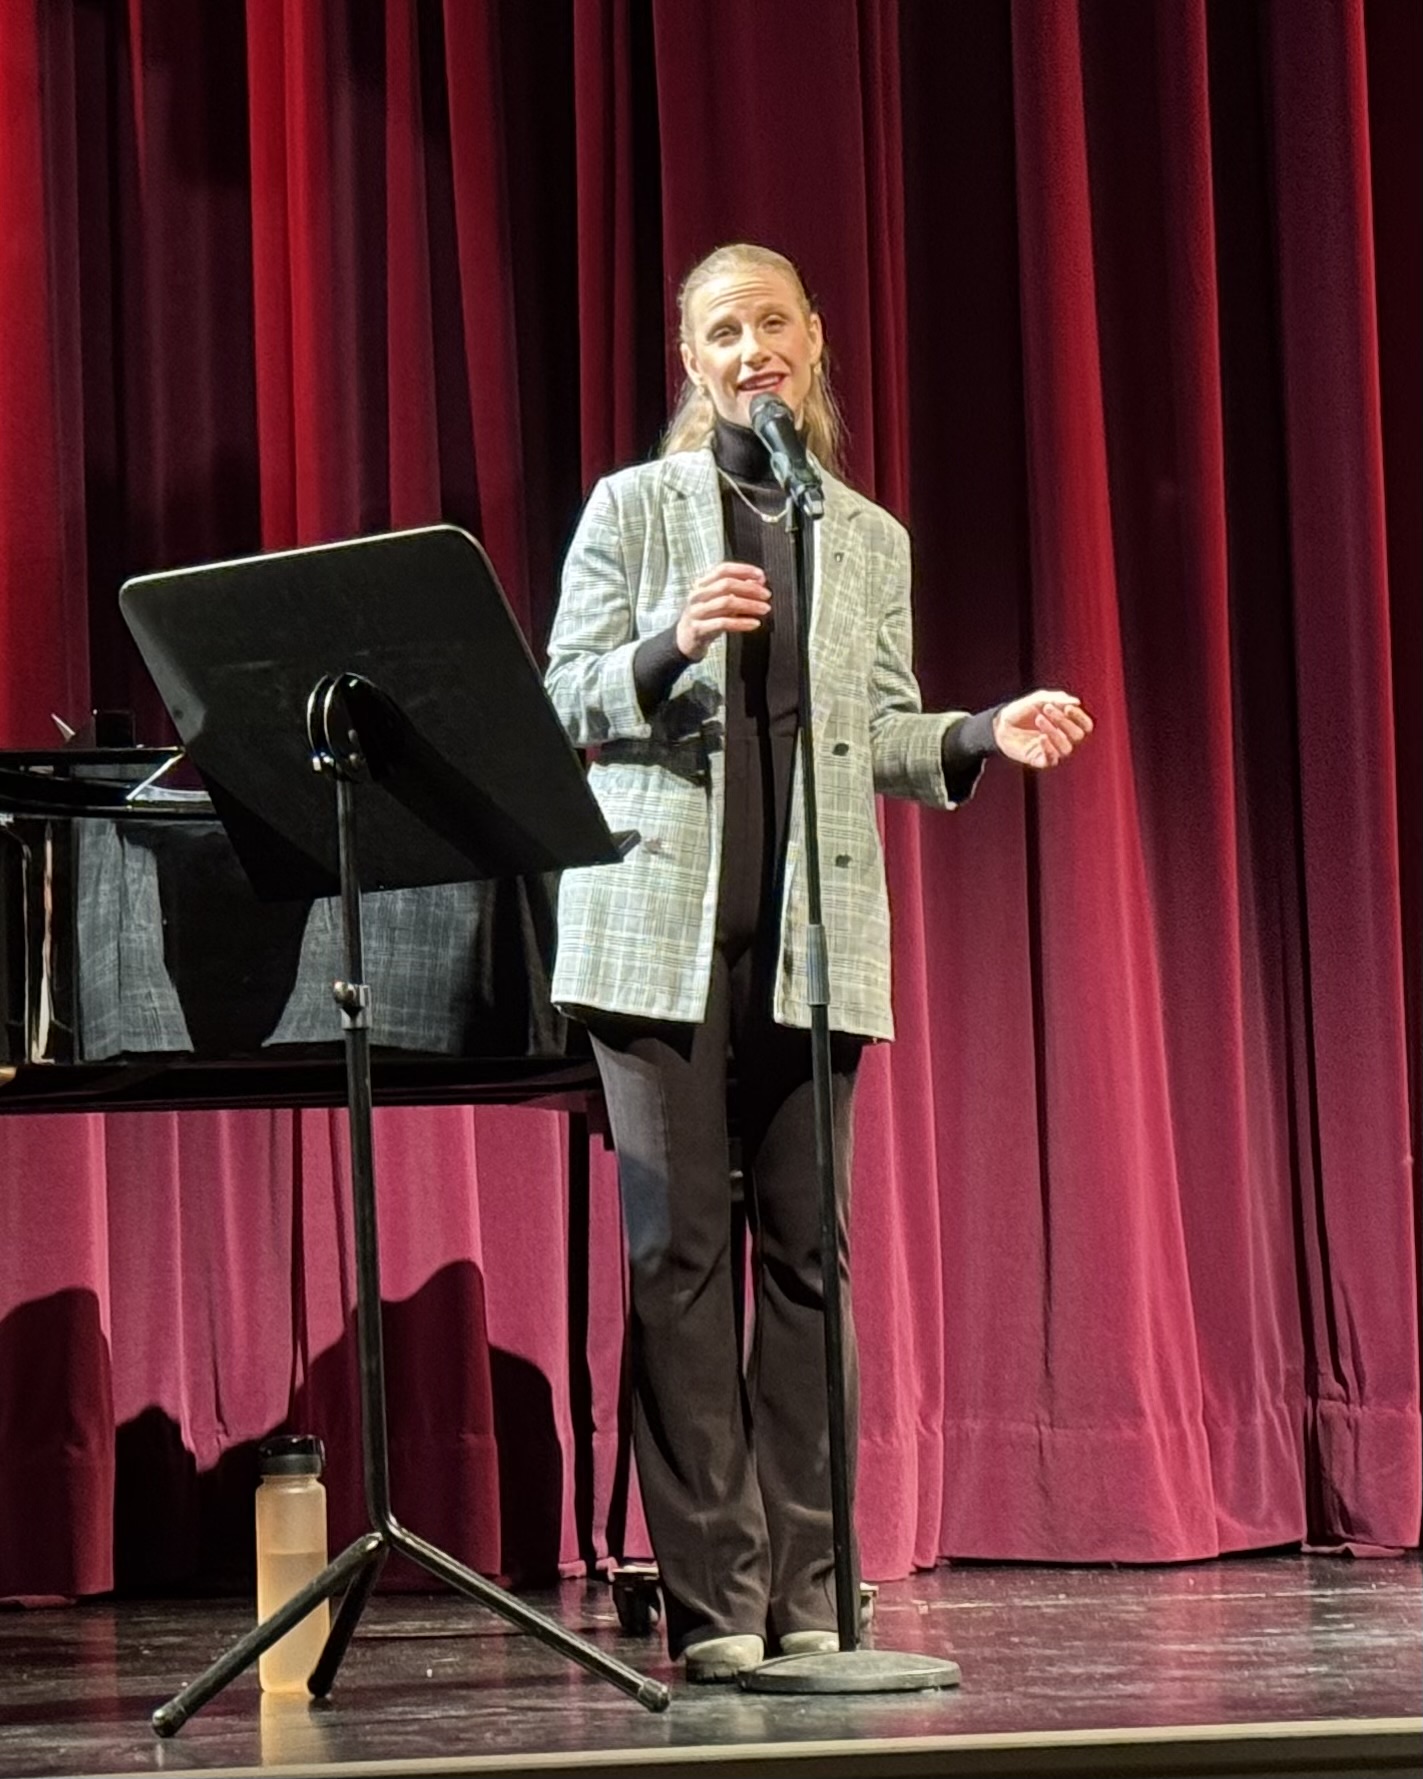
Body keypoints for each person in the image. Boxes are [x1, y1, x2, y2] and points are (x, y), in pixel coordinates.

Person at [545, 243, 1092, 1682]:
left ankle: (814, 1591)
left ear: (813, 339)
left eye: (772, 323)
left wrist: (978, 733)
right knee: (678, 1257)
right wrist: (670, 643)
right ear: (692, 359)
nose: (753, 351)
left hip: (815, 941)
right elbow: (559, 697)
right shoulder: (634, 508)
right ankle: (718, 1603)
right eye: (724, 331)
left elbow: (886, 731)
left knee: (809, 1260)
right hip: (655, 933)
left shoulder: (864, 536)